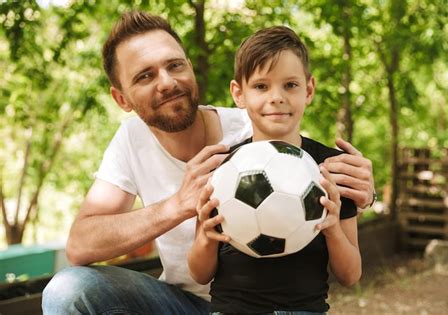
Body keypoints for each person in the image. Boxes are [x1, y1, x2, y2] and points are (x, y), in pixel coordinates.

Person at [42, 11, 373, 315]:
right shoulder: (131, 140)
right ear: (121, 98)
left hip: (284, 303)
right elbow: (80, 245)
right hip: (185, 302)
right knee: (68, 290)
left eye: (174, 65)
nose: (167, 82)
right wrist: (177, 206)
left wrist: (363, 194)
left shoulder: (259, 130)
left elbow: (312, 170)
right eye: (145, 76)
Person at [188, 26, 361, 314]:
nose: (276, 97)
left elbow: (351, 275)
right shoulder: (221, 168)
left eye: (290, 85)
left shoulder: (333, 169)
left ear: (309, 90)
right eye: (261, 86)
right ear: (238, 93)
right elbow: (199, 274)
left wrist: (332, 230)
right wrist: (206, 236)